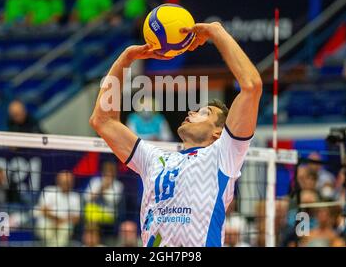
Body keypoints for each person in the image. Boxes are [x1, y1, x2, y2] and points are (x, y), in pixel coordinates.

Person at [89, 22, 263, 246]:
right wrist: (126, 59)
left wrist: (215, 32)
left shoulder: (223, 155)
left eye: (203, 112)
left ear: (218, 133)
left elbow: (252, 86)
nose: (191, 111)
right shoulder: (155, 159)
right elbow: (102, 120)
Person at [34, 171, 81, 247]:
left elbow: (76, 218)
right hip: (47, 221)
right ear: (58, 181)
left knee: (66, 229)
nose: (67, 184)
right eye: (64, 181)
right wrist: (56, 220)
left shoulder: (75, 196)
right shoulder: (49, 191)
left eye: (69, 182)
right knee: (45, 229)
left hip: (64, 224)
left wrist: (61, 221)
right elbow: (44, 210)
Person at [83, 161, 124, 228]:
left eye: (111, 170)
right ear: (103, 170)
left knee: (93, 218)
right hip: (93, 210)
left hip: (109, 212)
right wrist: (102, 188)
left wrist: (104, 189)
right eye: (107, 170)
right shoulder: (95, 181)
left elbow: (112, 201)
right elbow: (86, 198)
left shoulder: (118, 185)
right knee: (90, 212)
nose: (108, 172)